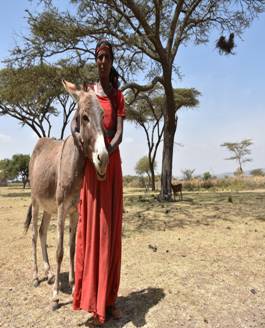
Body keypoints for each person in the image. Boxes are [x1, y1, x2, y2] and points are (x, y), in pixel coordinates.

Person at [72, 39, 125, 325]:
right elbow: (76, 124)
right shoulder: (89, 93)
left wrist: (107, 150)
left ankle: (111, 299)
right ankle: (94, 301)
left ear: (112, 60)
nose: (102, 61)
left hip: (110, 165)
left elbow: (119, 134)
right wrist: (90, 149)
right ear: (96, 60)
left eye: (106, 56)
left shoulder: (118, 97)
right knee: (92, 232)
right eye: (98, 56)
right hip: (93, 167)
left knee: (110, 233)